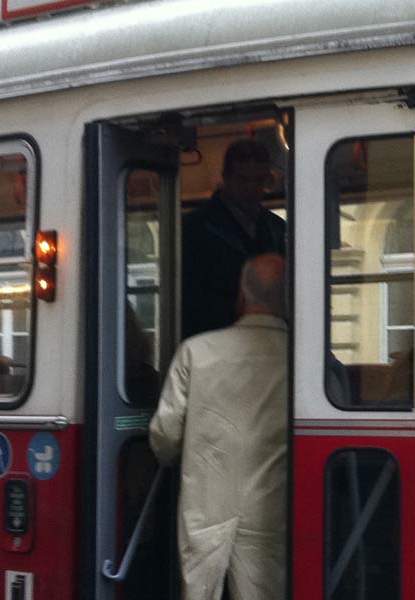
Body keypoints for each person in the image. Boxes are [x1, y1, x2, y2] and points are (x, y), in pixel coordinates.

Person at [150, 254, 288, 600]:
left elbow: (165, 437)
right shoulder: (305, 361)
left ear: (241, 297)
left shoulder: (194, 352)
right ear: (290, 299)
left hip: (204, 509)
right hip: (271, 509)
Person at [182, 138, 286, 339]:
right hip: (213, 339)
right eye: (243, 180)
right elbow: (189, 298)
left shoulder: (278, 229)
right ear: (225, 178)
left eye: (259, 180)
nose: (251, 188)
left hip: (270, 338)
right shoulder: (194, 228)